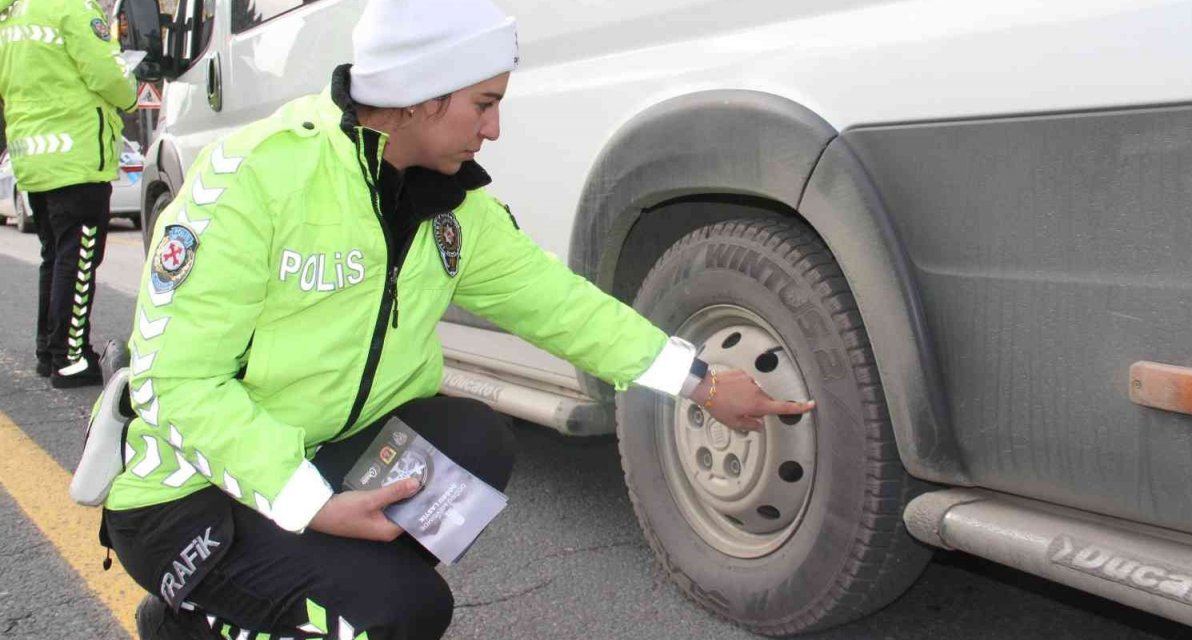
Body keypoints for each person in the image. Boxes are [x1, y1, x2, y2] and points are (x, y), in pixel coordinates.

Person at [93, 0, 814, 638]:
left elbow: (565, 309)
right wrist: (308, 503)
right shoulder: (254, 180)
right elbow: (176, 384)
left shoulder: (451, 210)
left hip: (313, 451)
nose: (495, 129)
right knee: (401, 613)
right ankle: (196, 612)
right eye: (483, 103)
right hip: (189, 496)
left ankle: (290, 588)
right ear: (419, 97)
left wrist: (700, 383)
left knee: (473, 441)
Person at [0, 0, 137, 387]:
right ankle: (70, 357)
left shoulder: (12, 16)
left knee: (56, 257)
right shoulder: (71, 9)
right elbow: (106, 74)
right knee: (78, 261)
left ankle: (48, 352)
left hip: (36, 160)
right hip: (76, 156)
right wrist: (130, 96)